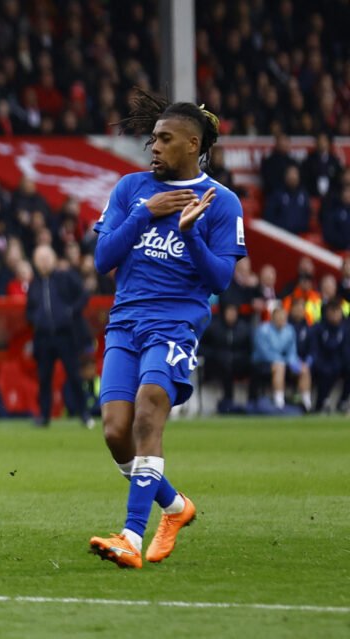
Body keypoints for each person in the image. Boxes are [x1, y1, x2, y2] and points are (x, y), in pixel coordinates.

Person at [89, 90, 246, 569]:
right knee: (117, 434)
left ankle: (130, 538)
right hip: (125, 323)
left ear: (192, 143)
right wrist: (146, 213)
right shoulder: (131, 189)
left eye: (164, 138)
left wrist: (191, 233)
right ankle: (175, 507)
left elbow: (220, 280)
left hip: (176, 324)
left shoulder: (222, 203)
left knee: (147, 416)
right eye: (153, 138)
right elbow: (103, 260)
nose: (152, 146)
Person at [25, 245, 91, 428]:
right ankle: (44, 416)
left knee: (74, 375)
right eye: (40, 258)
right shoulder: (34, 283)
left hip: (65, 335)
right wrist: (36, 320)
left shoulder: (65, 276)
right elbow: (29, 309)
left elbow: (83, 295)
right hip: (43, 337)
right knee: (44, 378)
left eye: (47, 258)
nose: (44, 262)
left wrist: (70, 313)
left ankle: (84, 413)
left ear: (53, 259)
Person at [251, 307, 310, 411]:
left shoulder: (289, 330)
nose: (281, 320)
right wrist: (283, 361)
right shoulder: (263, 330)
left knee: (304, 369)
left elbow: (292, 351)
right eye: (279, 317)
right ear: (272, 318)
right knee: (279, 367)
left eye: (283, 317)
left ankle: (307, 404)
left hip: (283, 362)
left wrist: (294, 363)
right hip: (262, 363)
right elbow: (264, 353)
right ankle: (280, 404)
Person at [200, 304, 253, 413]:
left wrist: (239, 357)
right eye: (229, 313)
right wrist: (215, 355)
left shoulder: (244, 328)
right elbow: (201, 347)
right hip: (217, 364)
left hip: (239, 363)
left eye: (234, 313)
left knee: (255, 368)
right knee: (226, 367)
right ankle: (228, 402)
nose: (231, 315)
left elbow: (249, 349)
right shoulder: (214, 328)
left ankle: (252, 402)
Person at [308, 300, 350, 412]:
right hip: (322, 362)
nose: (336, 315)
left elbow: (346, 350)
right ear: (327, 313)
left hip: (340, 362)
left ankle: (343, 401)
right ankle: (320, 403)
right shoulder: (318, 328)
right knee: (326, 371)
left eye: (338, 312)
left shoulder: (345, 329)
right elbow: (315, 350)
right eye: (333, 312)